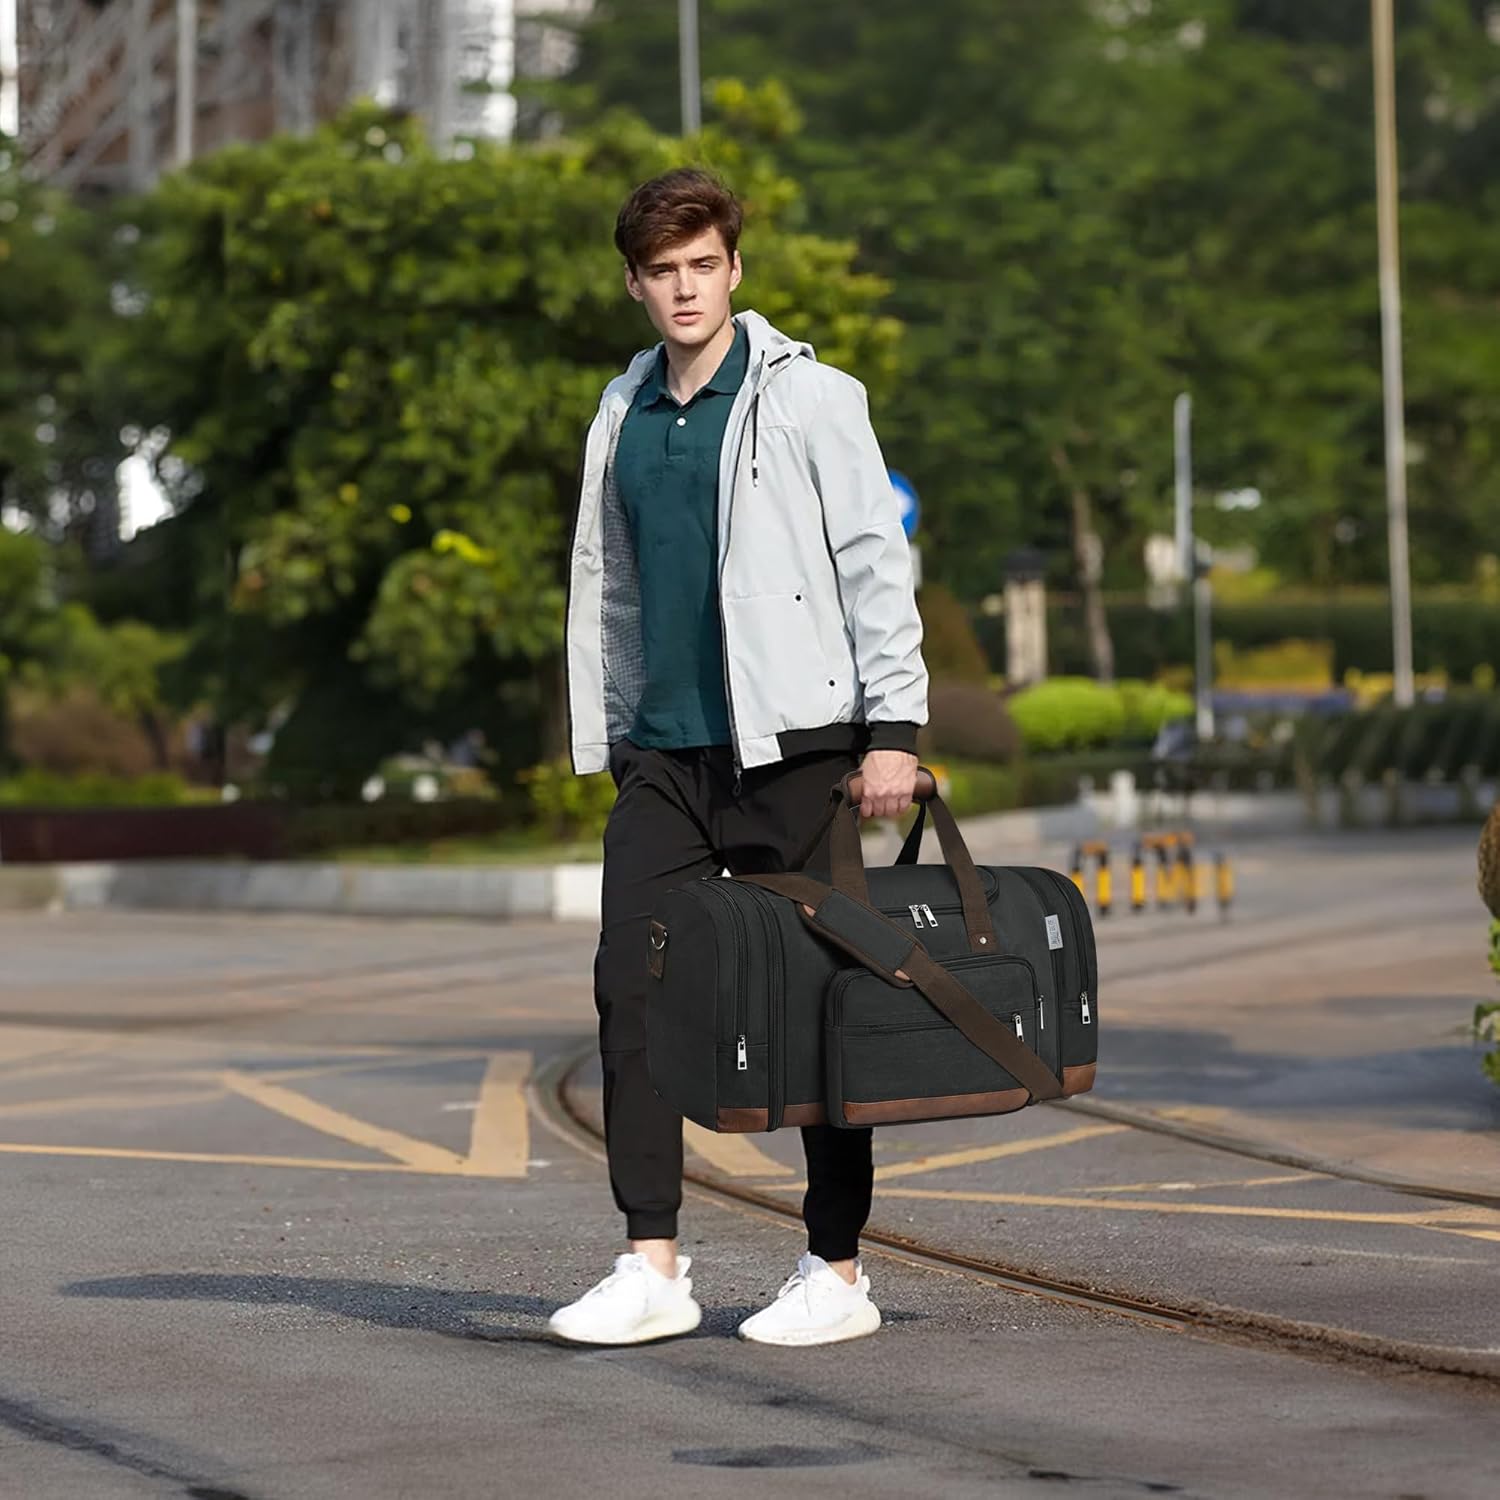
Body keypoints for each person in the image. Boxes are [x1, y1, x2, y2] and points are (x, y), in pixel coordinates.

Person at [550, 168, 927, 1348]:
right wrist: (616, 728)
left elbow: (874, 562)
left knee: (819, 1001)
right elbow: (612, 582)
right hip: (664, 757)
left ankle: (837, 1269)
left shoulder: (811, 398)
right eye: (663, 272)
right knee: (630, 991)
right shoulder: (622, 412)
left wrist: (895, 730)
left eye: (703, 266)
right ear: (634, 284)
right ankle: (652, 1263)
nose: (685, 289)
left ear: (734, 269)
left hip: (796, 747)